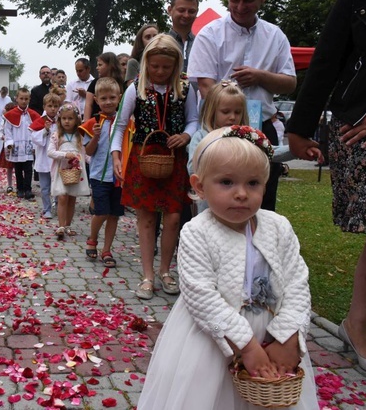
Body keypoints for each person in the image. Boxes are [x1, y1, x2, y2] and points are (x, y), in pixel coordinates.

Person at [137, 126, 318, 409]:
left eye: (253, 183)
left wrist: (289, 335)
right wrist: (246, 345)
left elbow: (297, 283)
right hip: (212, 338)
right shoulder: (197, 232)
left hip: (272, 335)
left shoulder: (278, 227)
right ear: (199, 186)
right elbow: (201, 296)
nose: (242, 194)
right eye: (227, 182)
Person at [286, 0, 366, 377]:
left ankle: (357, 328)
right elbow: (327, 58)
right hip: (360, 128)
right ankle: (358, 330)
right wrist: (301, 127)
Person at [187, 0, 296, 211]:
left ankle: (256, 248)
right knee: (218, 202)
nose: (239, 7)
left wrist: (260, 76)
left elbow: (290, 82)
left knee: (262, 204)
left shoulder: (275, 35)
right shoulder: (210, 34)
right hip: (218, 129)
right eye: (234, 0)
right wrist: (228, 123)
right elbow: (205, 85)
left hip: (263, 126)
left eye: (248, 0)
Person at [111, 35, 198, 300]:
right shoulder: (135, 88)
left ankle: (165, 271)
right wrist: (117, 155)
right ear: (147, 62)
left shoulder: (185, 88)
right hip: (143, 155)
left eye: (166, 67)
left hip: (174, 157)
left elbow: (193, 120)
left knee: (173, 217)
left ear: (176, 65)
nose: (160, 71)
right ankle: (147, 275)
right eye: (156, 66)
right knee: (146, 218)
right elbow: (121, 124)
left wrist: (185, 136)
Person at [80, 77, 124, 267]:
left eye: (112, 97)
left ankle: (107, 250)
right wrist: (95, 137)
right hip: (98, 175)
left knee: (114, 214)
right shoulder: (93, 122)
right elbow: (88, 152)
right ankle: (92, 238)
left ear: (119, 98)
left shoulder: (125, 122)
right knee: (101, 212)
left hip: (119, 176)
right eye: (103, 98)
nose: (108, 102)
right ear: (96, 100)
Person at [187, 81, 249, 213]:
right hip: (209, 204)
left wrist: (295, 149)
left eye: (238, 112)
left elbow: (268, 150)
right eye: (226, 112)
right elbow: (193, 167)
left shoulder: (245, 137)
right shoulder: (201, 137)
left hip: (239, 200)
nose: (232, 117)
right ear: (212, 111)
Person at [48, 102, 91, 239]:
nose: (67, 121)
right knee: (62, 196)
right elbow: (50, 152)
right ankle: (60, 226)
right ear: (60, 120)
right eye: (64, 118)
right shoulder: (56, 136)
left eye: (70, 118)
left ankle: (68, 225)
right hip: (62, 170)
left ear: (76, 120)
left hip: (76, 170)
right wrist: (64, 155)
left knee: (72, 198)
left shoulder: (80, 136)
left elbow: (86, 154)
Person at [4, 88, 41, 199]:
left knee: (28, 169)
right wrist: (9, 142)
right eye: (21, 98)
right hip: (16, 145)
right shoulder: (11, 115)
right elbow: (8, 130)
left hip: (28, 145)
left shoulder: (33, 114)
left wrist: (35, 145)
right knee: (18, 168)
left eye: (26, 99)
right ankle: (20, 189)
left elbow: (37, 129)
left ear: (29, 99)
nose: (24, 101)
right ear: (17, 99)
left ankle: (28, 189)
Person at [30, 92, 61, 218]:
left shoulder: (62, 120)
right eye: (50, 106)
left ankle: (59, 206)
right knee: (45, 187)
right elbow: (34, 138)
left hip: (57, 159)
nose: (53, 109)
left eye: (55, 106)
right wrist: (45, 130)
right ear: (44, 107)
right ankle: (46, 208)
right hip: (44, 159)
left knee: (58, 186)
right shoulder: (40, 121)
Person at [167, 0, 199, 75]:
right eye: (181, 10)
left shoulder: (201, 43)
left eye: (191, 11)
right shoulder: (160, 43)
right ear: (170, 10)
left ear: (197, 12)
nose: (186, 15)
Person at [84, 52, 124, 120]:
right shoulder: (95, 83)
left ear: (110, 65)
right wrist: (86, 123)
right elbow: (88, 104)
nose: (97, 68)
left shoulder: (121, 83)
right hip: (97, 122)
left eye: (100, 65)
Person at [0, 102, 17, 193]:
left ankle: (21, 183)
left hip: (17, 146)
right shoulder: (4, 121)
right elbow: (0, 133)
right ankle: (9, 185)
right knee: (9, 167)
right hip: (8, 147)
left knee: (19, 166)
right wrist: (3, 137)